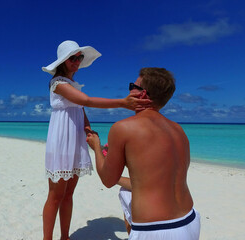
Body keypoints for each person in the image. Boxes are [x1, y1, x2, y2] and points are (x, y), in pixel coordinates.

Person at [41, 40, 152, 240]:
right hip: (60, 142)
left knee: (68, 195)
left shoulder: (74, 84)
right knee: (55, 195)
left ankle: (64, 237)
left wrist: (89, 132)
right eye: (72, 58)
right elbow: (85, 101)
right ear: (63, 61)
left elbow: (81, 110)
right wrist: (122, 103)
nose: (76, 61)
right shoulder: (57, 83)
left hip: (75, 141)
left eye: (79, 57)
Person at [86, 67, 201, 239]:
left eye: (133, 85)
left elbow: (107, 180)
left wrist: (96, 147)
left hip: (155, 229)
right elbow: (156, 181)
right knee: (126, 193)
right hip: (190, 220)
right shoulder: (178, 130)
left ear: (142, 94)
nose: (129, 88)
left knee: (125, 195)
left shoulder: (123, 127)